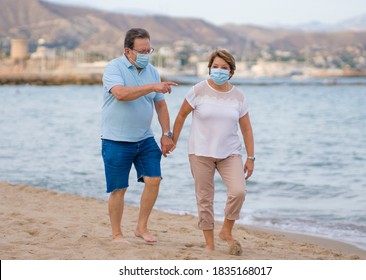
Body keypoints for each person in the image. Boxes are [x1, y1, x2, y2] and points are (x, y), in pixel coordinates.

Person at [172, 49, 255, 255]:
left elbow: (246, 128)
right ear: (209, 68)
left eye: (224, 68)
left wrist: (251, 157)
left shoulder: (238, 96)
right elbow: (181, 116)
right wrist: (172, 140)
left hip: (230, 153)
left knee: (239, 191)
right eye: (215, 67)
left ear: (231, 72)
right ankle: (209, 245)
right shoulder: (197, 90)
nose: (219, 70)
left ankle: (226, 231)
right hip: (200, 152)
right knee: (205, 198)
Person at [101, 28, 177, 243]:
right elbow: (120, 94)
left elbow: (160, 105)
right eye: (142, 51)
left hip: (144, 138)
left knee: (154, 180)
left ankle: (141, 227)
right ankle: (117, 233)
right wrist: (153, 86)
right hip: (115, 139)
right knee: (119, 188)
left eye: (149, 50)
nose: (146, 54)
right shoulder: (113, 68)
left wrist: (166, 134)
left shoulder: (152, 70)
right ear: (128, 51)